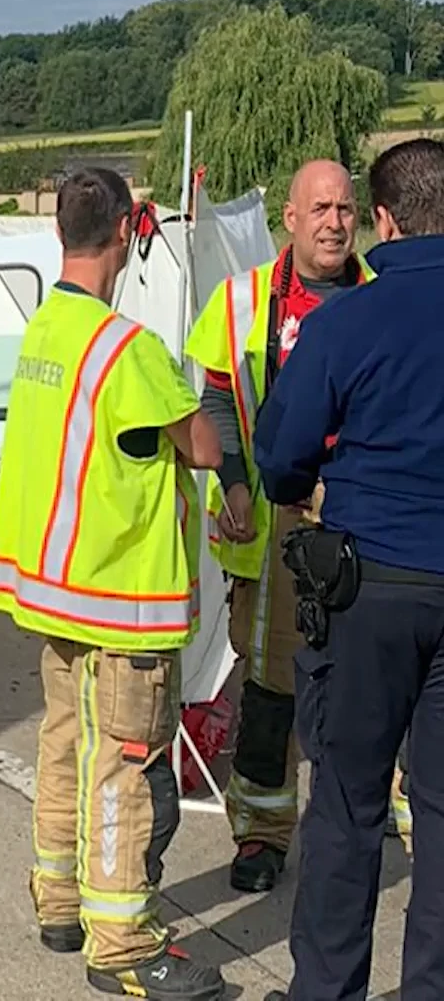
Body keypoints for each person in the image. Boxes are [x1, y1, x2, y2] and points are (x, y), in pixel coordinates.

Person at [0, 166, 226, 1000]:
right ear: (126, 230)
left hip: (54, 592)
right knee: (124, 763)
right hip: (121, 599)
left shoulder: (44, 330)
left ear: (60, 232)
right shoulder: (130, 350)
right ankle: (120, 937)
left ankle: (60, 899)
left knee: (63, 743)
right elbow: (205, 448)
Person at [254, 136, 444, 1000]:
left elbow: (285, 459)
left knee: (348, 806)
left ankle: (328, 990)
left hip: (367, 588)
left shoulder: (342, 323)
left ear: (382, 219)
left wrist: (308, 483)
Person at [182, 159, 381, 892]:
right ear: (290, 220)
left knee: (367, 682)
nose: (335, 222)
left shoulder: (381, 299)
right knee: (271, 688)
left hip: (363, 520)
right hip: (272, 529)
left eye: (347, 209)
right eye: (321, 209)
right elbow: (215, 399)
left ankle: (363, 819)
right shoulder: (241, 303)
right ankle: (261, 834)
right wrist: (233, 484)